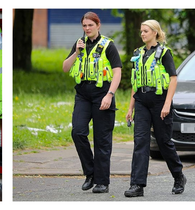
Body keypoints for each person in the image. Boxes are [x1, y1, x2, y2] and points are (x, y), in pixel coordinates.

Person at [61, 11, 122, 193]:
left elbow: (117, 72)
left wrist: (109, 94)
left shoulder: (108, 45)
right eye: (84, 26)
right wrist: (76, 52)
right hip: (83, 95)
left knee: (102, 140)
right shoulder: (79, 44)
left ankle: (102, 181)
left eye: (90, 25)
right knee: (78, 132)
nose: (87, 29)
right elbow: (65, 68)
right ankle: (90, 173)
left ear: (98, 25)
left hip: (103, 93)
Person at [124, 19, 185, 197]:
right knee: (140, 141)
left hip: (160, 102)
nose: (142, 34)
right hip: (142, 101)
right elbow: (135, 82)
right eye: (141, 31)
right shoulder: (138, 53)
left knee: (163, 142)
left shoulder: (164, 53)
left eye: (145, 31)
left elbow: (173, 79)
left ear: (155, 33)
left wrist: (167, 104)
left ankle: (178, 176)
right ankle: (137, 185)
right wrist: (130, 108)